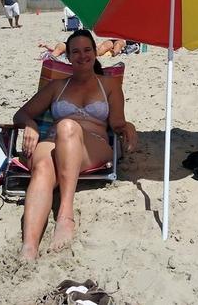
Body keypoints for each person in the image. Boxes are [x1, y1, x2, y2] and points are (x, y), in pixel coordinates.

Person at [14, 29, 137, 260]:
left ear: (95, 53)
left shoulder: (109, 85)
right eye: (76, 51)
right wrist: (30, 125)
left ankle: (65, 214)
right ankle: (29, 246)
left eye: (87, 50)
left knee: (67, 127)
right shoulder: (57, 86)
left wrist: (128, 127)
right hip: (54, 141)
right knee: (42, 169)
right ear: (68, 56)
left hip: (93, 145)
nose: (83, 55)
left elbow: (117, 123)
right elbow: (21, 114)